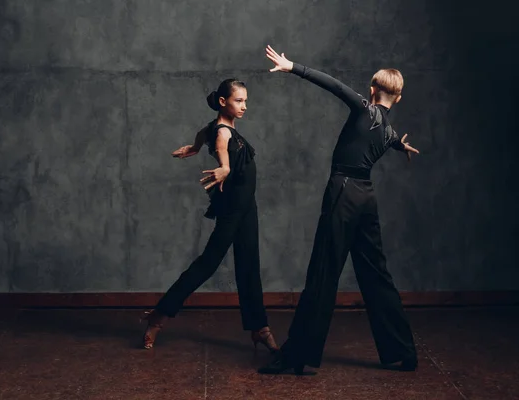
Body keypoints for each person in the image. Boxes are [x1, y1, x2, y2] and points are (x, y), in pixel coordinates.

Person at [258, 45, 420, 375]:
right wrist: (400, 144)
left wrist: (292, 67)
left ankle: (296, 358)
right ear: (398, 99)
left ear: (372, 90)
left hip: (343, 191)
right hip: (366, 198)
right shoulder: (388, 130)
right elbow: (387, 139)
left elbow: (332, 84)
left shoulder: (364, 108)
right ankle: (403, 352)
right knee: (377, 274)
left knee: (323, 273)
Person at [141, 79, 279, 354]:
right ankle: (160, 315)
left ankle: (259, 329)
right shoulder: (224, 134)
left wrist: (193, 148)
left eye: (245, 101)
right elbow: (220, 148)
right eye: (239, 101)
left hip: (247, 208)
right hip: (233, 208)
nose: (244, 106)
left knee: (249, 266)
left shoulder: (217, 128)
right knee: (207, 264)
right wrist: (224, 168)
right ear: (222, 102)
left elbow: (204, 134)